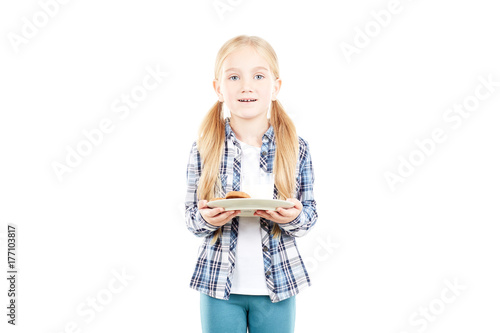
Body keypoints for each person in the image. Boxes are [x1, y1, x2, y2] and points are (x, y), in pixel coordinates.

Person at [185, 34, 318, 333]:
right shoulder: (205, 148)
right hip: (218, 286)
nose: (246, 86)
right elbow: (192, 221)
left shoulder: (297, 148)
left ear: (276, 87)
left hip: (279, 286)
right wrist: (207, 218)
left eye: (258, 75)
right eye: (234, 77)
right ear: (219, 89)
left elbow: (308, 216)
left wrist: (294, 216)